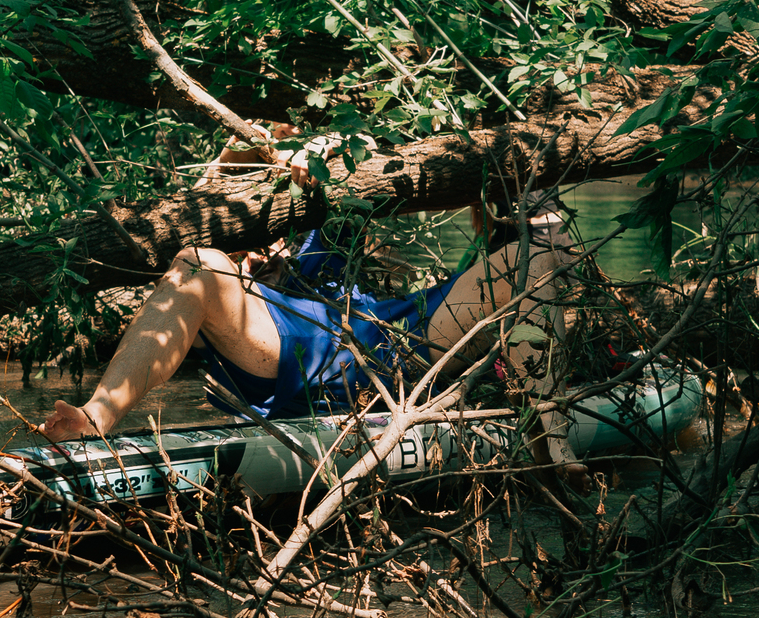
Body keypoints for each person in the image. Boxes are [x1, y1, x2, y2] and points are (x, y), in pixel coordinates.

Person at [38, 134, 581, 464]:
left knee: (524, 261)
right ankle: (95, 417)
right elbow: (213, 187)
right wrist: (250, 248)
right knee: (196, 265)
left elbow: (375, 159)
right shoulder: (231, 274)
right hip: (286, 356)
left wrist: (326, 152)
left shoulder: (321, 232)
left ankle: (546, 422)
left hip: (395, 343)